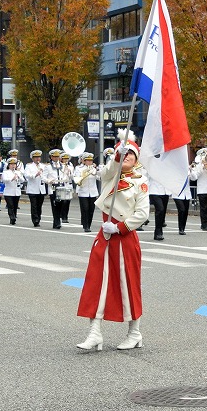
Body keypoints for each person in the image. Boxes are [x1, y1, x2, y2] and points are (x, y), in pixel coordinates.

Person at [76, 140, 150, 352]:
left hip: (124, 236)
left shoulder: (140, 181)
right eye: (124, 154)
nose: (127, 157)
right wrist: (117, 154)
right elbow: (108, 170)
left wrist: (120, 228)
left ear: (137, 160)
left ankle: (134, 333)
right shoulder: (111, 174)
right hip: (105, 235)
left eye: (131, 154)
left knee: (129, 286)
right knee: (95, 283)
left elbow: (142, 213)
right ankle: (95, 332)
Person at [74, 153, 100, 232]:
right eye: (88, 161)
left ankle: (89, 224)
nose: (90, 162)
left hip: (93, 192)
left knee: (91, 209)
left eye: (91, 161)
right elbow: (76, 178)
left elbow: (99, 178)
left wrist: (96, 173)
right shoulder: (79, 168)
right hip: (83, 191)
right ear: (84, 161)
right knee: (85, 208)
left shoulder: (94, 169)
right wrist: (84, 174)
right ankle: (86, 226)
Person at [24, 150, 49, 227]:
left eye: (39, 157)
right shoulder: (29, 166)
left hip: (41, 189)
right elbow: (26, 175)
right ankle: (35, 220)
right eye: (35, 157)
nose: (37, 159)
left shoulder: (43, 166)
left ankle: (39, 217)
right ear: (32, 158)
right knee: (34, 205)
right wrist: (35, 174)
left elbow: (46, 176)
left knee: (39, 205)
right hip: (32, 189)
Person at [1, 156, 25, 225]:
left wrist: (19, 176)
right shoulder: (6, 172)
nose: (13, 166)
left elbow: (23, 180)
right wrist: (12, 178)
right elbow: (4, 180)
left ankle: (14, 216)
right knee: (10, 205)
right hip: (8, 192)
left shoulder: (18, 172)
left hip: (16, 192)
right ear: (8, 165)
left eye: (14, 164)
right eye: (11, 164)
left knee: (15, 205)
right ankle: (12, 218)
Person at [45, 149, 64, 229]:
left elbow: (67, 176)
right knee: (55, 204)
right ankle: (57, 221)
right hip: (53, 186)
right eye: (54, 157)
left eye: (57, 156)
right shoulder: (48, 167)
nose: (56, 158)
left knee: (61, 204)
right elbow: (43, 177)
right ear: (51, 157)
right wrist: (49, 181)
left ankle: (57, 220)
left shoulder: (63, 166)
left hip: (61, 186)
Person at [148, 176, 170, 241]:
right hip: (154, 190)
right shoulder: (152, 166)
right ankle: (158, 232)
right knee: (160, 209)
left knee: (163, 212)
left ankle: (159, 231)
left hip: (165, 191)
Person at [58, 153, 75, 223]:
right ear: (61, 159)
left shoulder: (71, 167)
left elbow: (73, 177)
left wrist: (69, 172)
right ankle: (61, 215)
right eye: (64, 159)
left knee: (67, 201)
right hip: (62, 185)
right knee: (62, 201)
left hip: (69, 185)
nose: (66, 160)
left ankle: (65, 216)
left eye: (67, 159)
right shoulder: (59, 166)